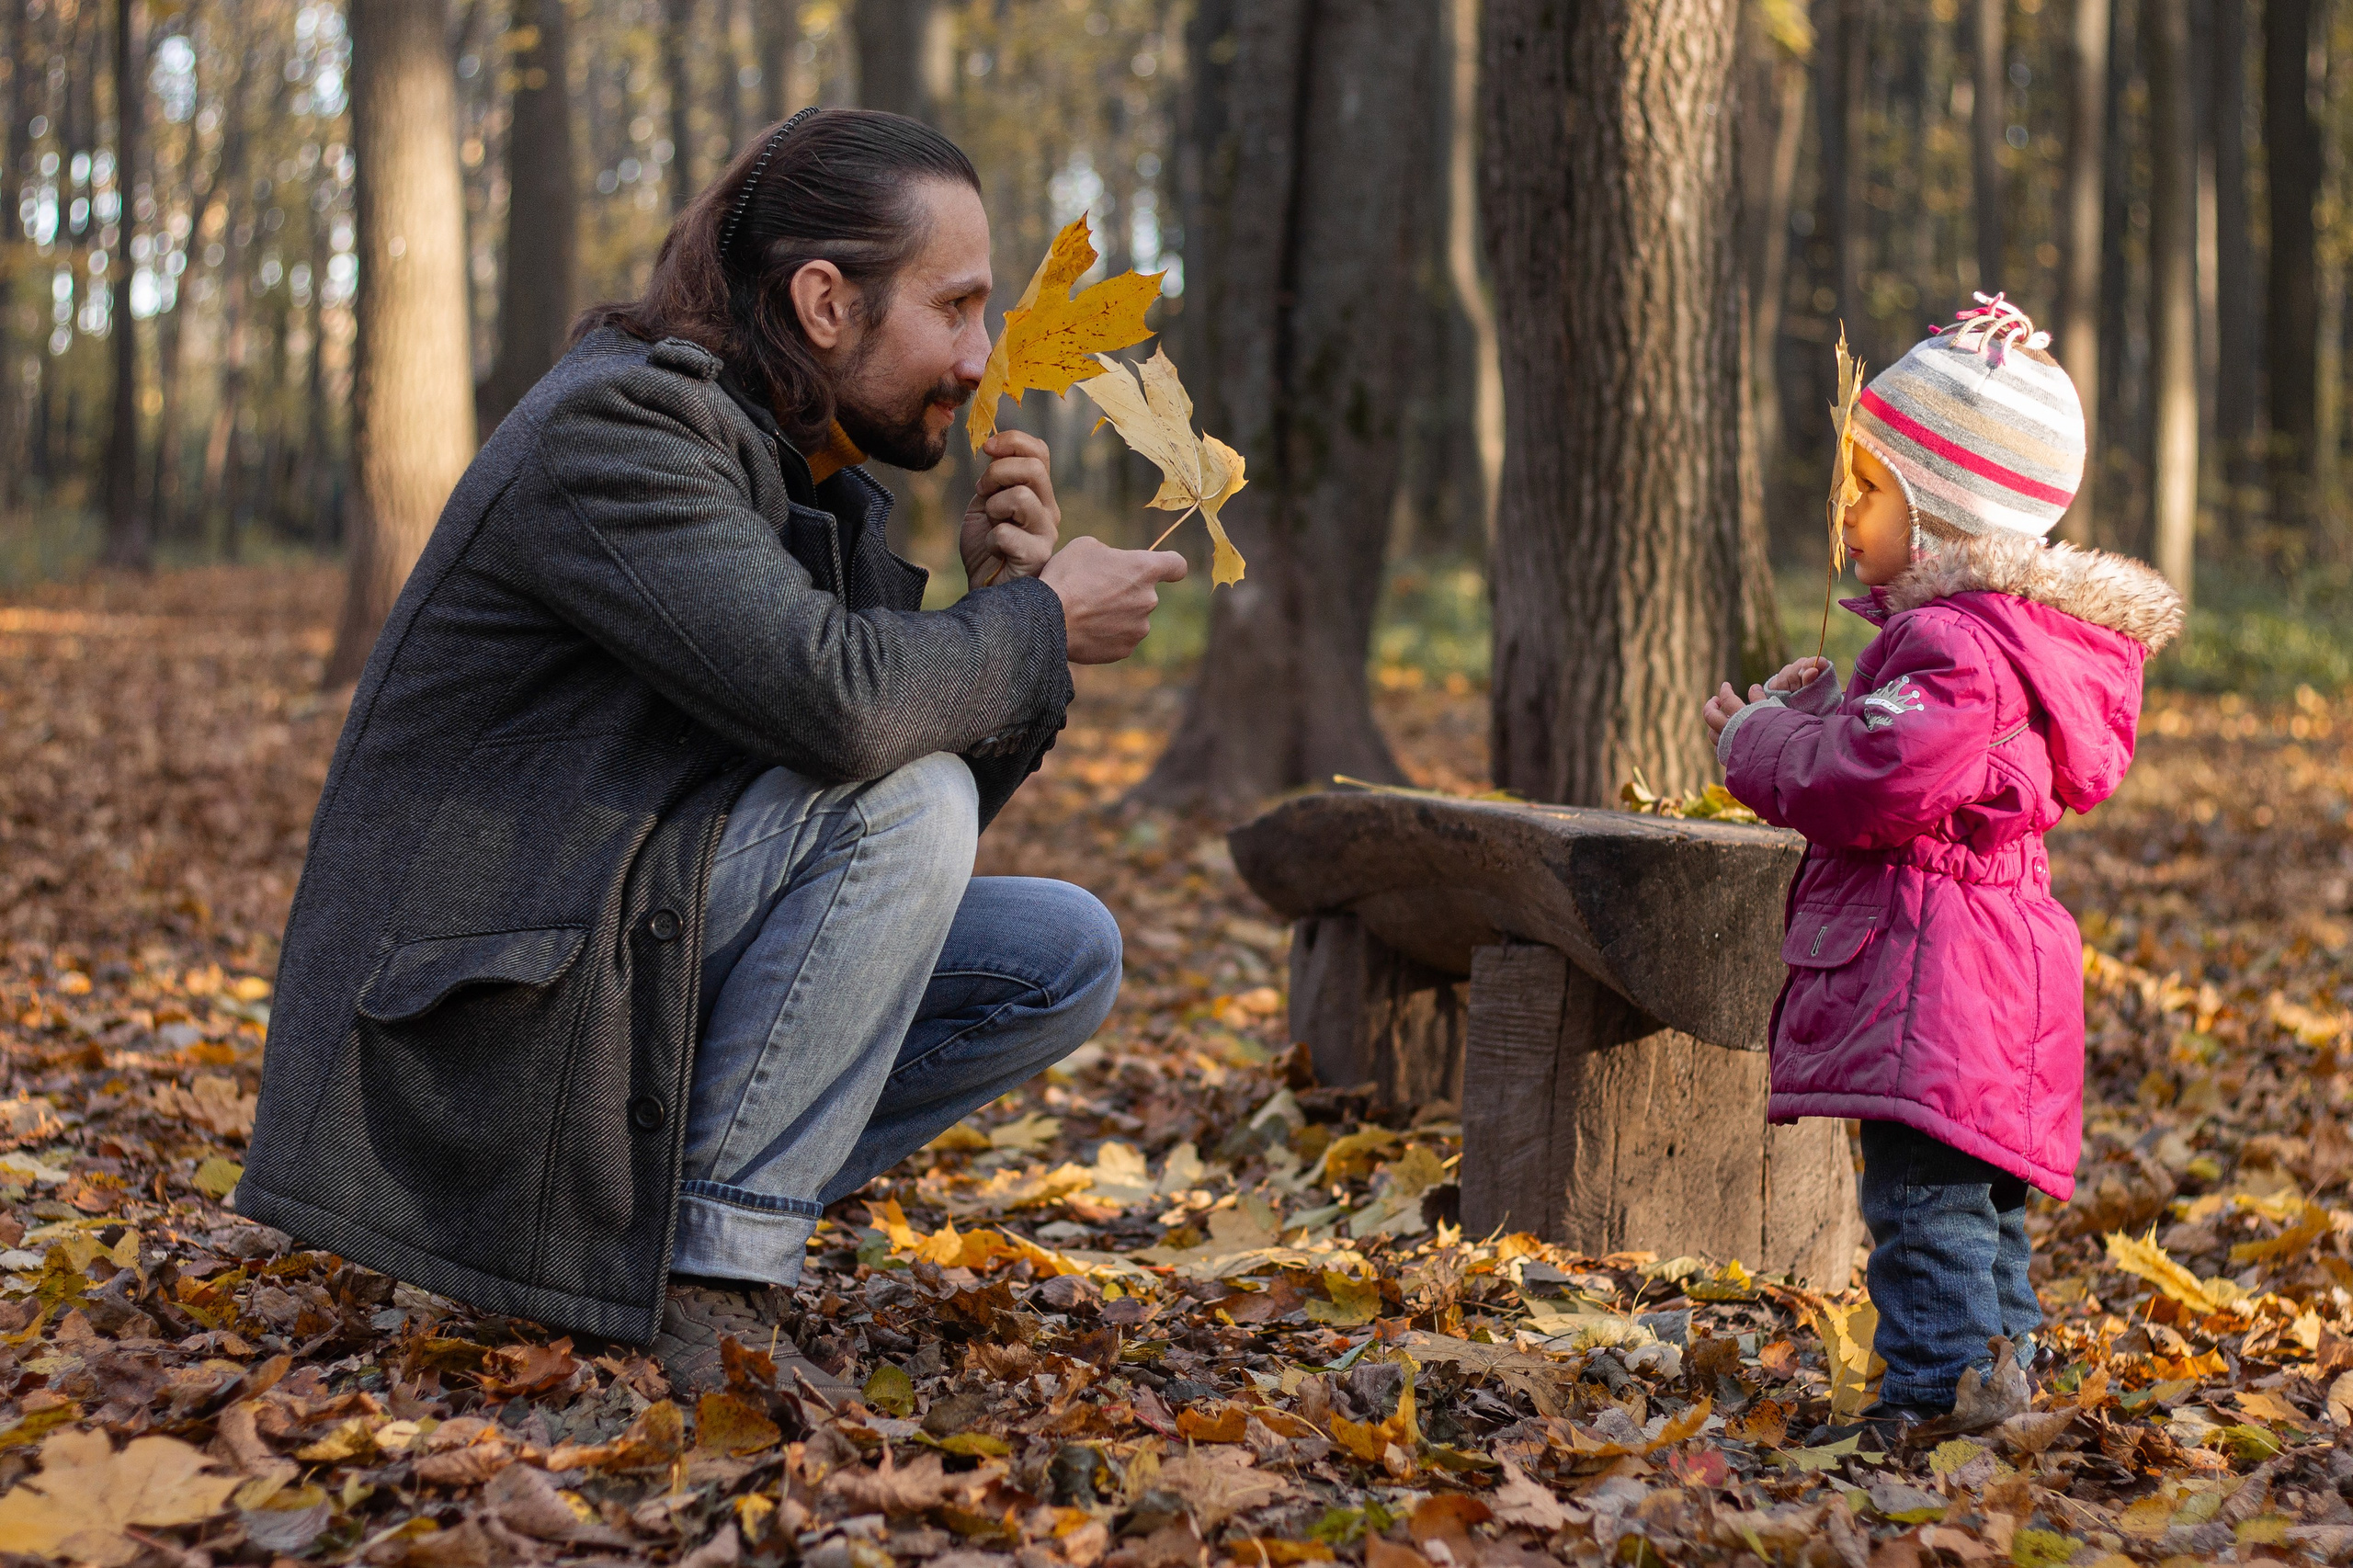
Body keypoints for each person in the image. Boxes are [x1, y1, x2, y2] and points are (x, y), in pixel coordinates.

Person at [241, 109, 1190, 1396]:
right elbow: (852, 727)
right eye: (955, 306)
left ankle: (677, 1224)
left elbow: (878, 860)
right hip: (466, 1046)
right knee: (900, 799)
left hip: (616, 954)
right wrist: (1032, 627)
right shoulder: (621, 435)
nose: (979, 358)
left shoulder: (798, 475)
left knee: (1061, 953)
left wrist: (1001, 611)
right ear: (822, 301)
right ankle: (710, 1287)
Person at [1702, 296, 2183, 1441]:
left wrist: (1754, 748)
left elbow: (1880, 785)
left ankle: (1933, 1404)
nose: (1844, 513)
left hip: (1934, 980)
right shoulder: (1991, 641)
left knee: (1923, 1208)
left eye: (1867, 491)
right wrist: (1824, 705)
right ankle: (2001, 1388)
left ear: (1944, 515)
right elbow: (1919, 756)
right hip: (1978, 976)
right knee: (1978, 1213)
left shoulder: (1955, 642)